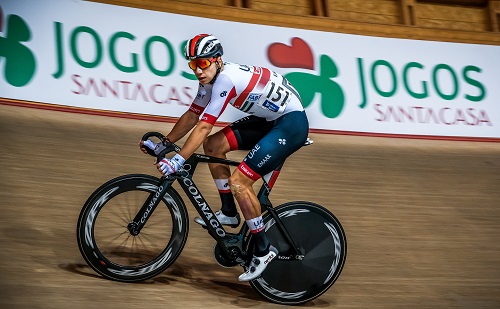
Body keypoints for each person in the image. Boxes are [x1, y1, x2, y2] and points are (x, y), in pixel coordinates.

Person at [140, 34, 309, 281]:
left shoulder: (225, 80)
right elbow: (192, 115)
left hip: (290, 125)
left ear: (217, 60)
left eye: (203, 63)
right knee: (213, 146)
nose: (198, 70)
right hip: (269, 120)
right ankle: (229, 211)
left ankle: (263, 249)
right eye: (193, 64)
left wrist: (178, 159)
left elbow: (204, 126)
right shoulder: (210, 78)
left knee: (240, 182)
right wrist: (165, 144)